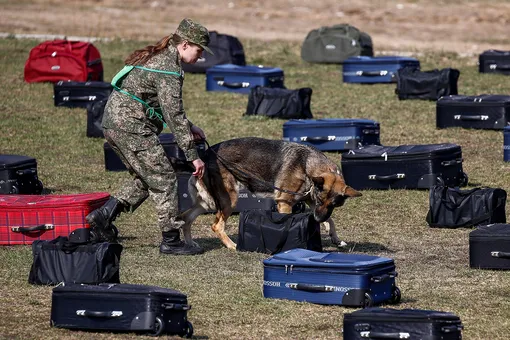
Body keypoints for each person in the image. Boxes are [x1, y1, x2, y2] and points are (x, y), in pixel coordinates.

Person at [86, 18, 213, 255]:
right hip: (130, 127)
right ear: (184, 44)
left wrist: (190, 126)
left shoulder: (163, 57)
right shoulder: (168, 68)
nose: (201, 56)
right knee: (164, 177)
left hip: (116, 124)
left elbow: (166, 107)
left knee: (148, 176)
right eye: (199, 50)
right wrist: (193, 156)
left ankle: (104, 215)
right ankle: (171, 240)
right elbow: (173, 114)